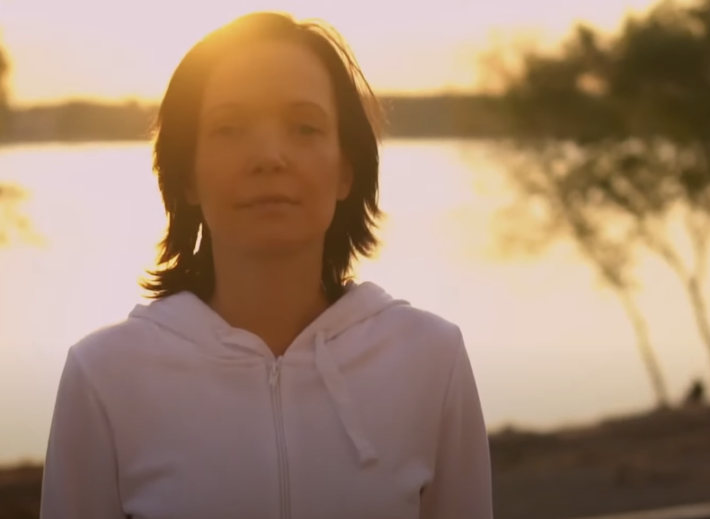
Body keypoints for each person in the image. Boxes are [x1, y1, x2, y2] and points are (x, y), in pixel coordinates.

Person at [40, 11, 493, 519]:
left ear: (346, 169)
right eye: (229, 129)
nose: (269, 157)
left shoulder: (429, 359)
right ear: (187, 175)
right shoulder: (105, 375)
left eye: (304, 127)